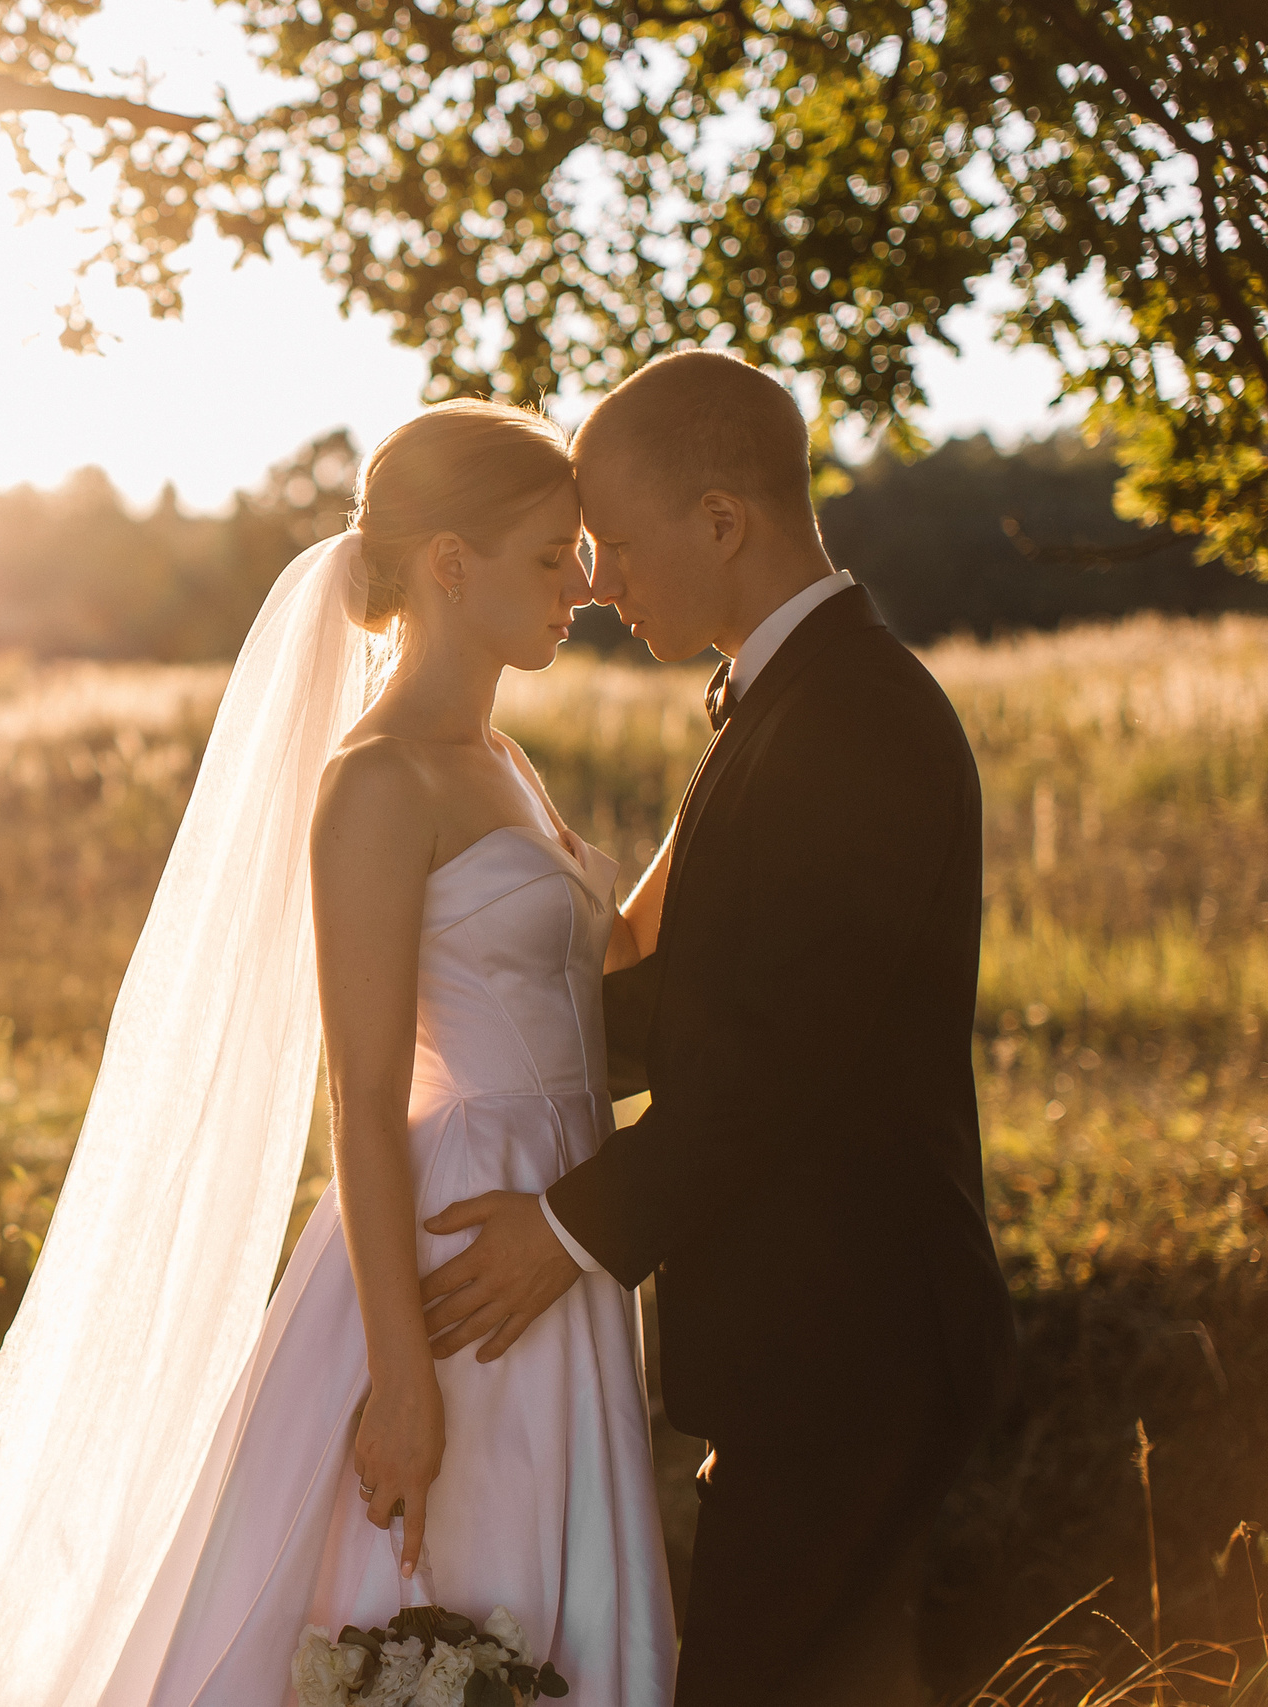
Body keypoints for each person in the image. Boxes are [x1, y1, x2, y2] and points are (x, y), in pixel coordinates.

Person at [0, 400, 673, 1707]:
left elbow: (607, 968)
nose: (583, 586)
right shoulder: (380, 782)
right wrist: (401, 1380)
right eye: (549, 556)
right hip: (450, 1258)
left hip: (558, 1228)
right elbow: (364, 1095)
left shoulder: (502, 761)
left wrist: (726, 793)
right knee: (451, 1596)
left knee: (562, 1606)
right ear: (449, 563)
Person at [417, 351, 1019, 1707]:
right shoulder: (785, 698)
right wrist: (489, 1051)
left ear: (724, 523)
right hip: (817, 1341)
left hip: (857, 1341)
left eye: (618, 546)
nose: (600, 582)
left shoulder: (852, 719)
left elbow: (777, 1062)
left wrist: (567, 1228)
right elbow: (711, 1007)